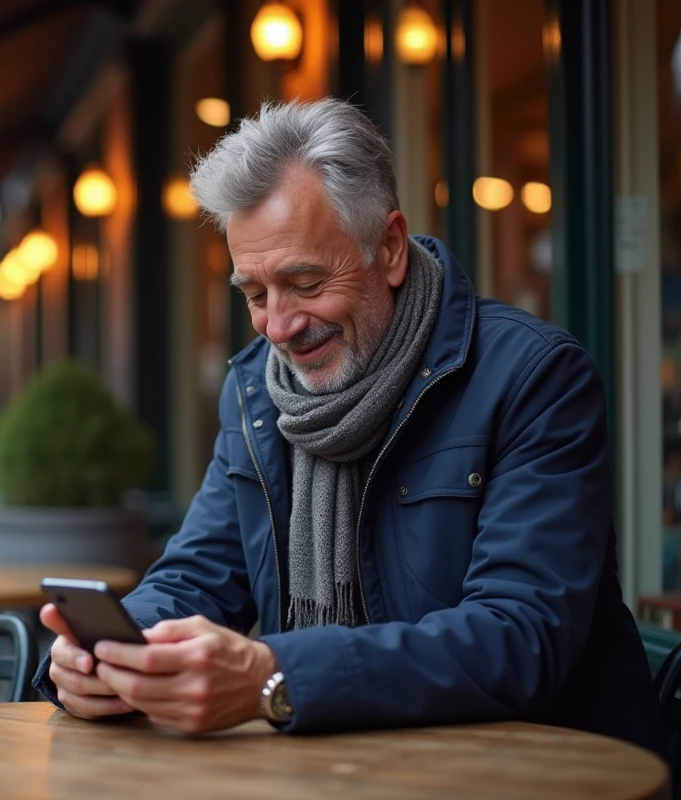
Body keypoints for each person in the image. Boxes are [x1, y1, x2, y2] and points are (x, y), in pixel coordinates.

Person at [35, 98, 668, 760]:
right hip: (339, 766)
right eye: (254, 295)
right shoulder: (256, 390)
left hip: (538, 772)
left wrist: (271, 678)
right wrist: (110, 653)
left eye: (304, 283)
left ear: (389, 248)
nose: (278, 326)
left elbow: (518, 638)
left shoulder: (534, 376)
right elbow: (197, 574)